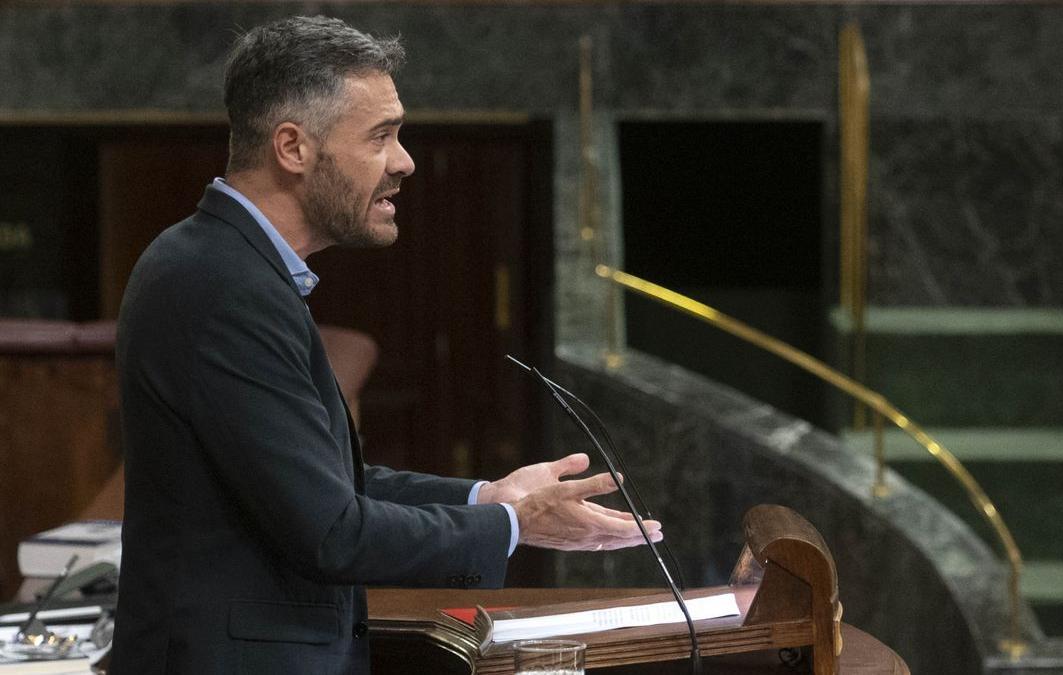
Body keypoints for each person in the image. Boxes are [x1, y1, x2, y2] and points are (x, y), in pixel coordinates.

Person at [109, 15, 661, 674]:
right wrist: (516, 521)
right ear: (293, 147)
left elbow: (330, 489)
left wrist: (487, 497)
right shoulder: (219, 282)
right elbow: (332, 532)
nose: (405, 161)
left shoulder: (227, 268)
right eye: (381, 136)